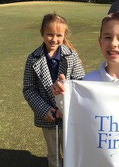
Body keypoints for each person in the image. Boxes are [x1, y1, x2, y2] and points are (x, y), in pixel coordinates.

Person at [23, 12, 85, 167]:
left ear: (64, 35)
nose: (54, 39)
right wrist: (44, 109)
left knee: (71, 151)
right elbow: (29, 89)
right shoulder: (33, 59)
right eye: (50, 34)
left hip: (69, 115)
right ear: (42, 33)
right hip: (47, 117)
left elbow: (80, 83)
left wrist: (64, 106)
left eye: (59, 35)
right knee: (53, 154)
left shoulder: (71, 56)